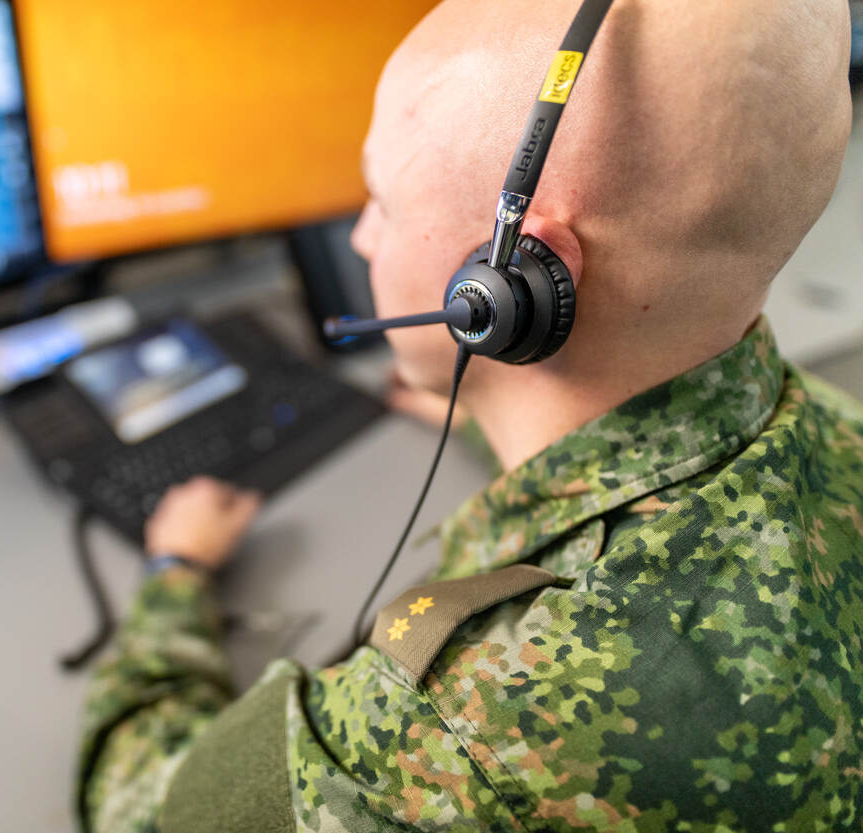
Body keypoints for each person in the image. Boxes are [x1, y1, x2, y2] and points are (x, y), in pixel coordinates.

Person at [77, 0, 863, 830]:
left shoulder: (466, 733)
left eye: (382, 200)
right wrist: (493, 413)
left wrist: (175, 574)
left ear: (511, 284)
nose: (361, 238)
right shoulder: (830, 428)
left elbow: (141, 809)